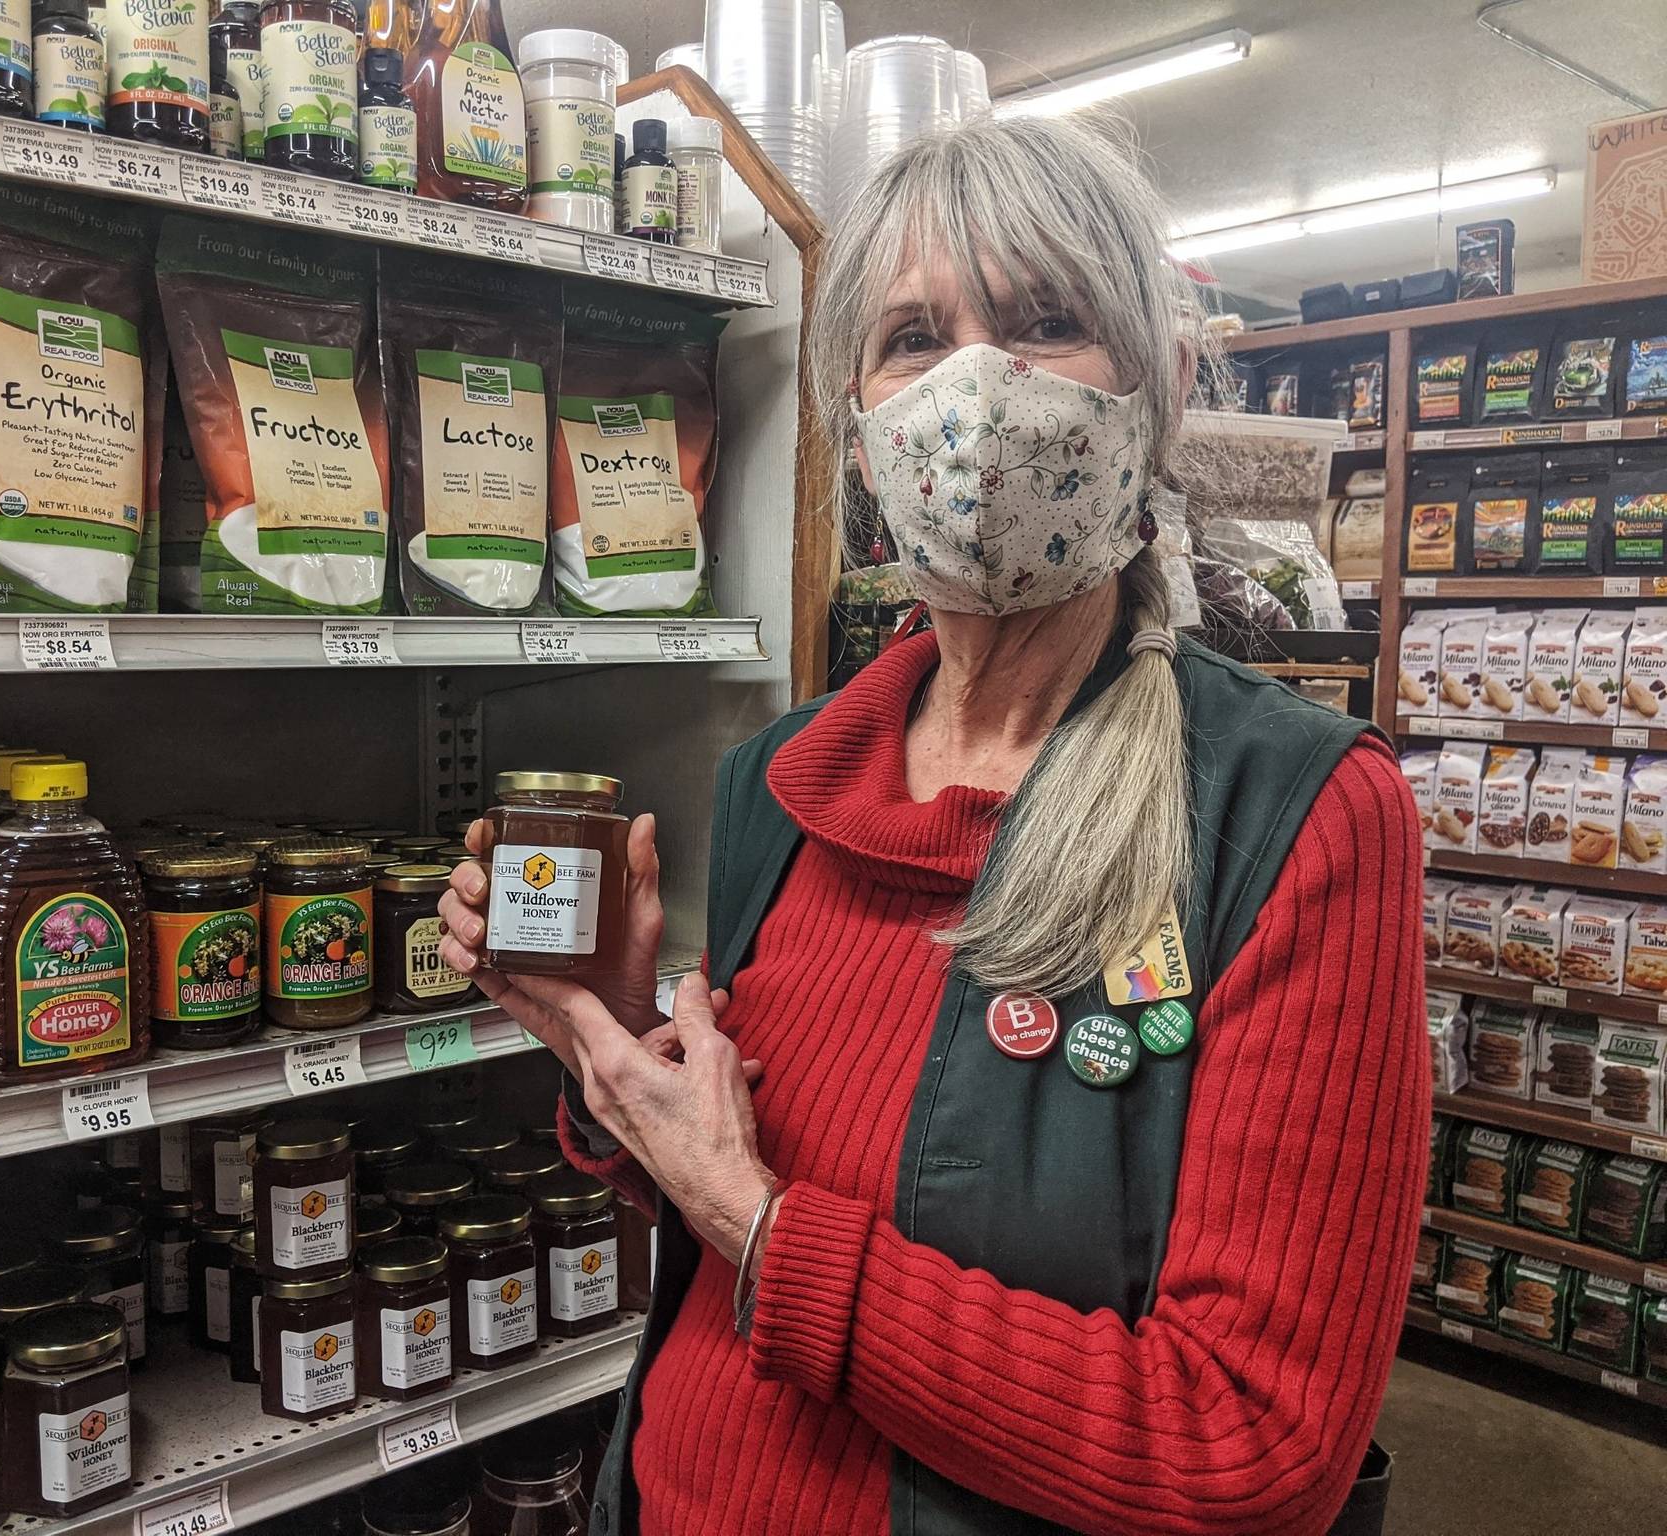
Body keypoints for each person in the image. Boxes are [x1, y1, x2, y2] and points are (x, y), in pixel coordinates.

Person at [439, 110, 1425, 1536]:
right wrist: (615, 1042)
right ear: (857, 428)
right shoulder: (780, 785)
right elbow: (734, 1201)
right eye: (914, 338)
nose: (978, 387)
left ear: (1154, 389)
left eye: (1044, 321)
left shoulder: (1294, 816)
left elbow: (1249, 1451)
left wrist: (759, 1224)